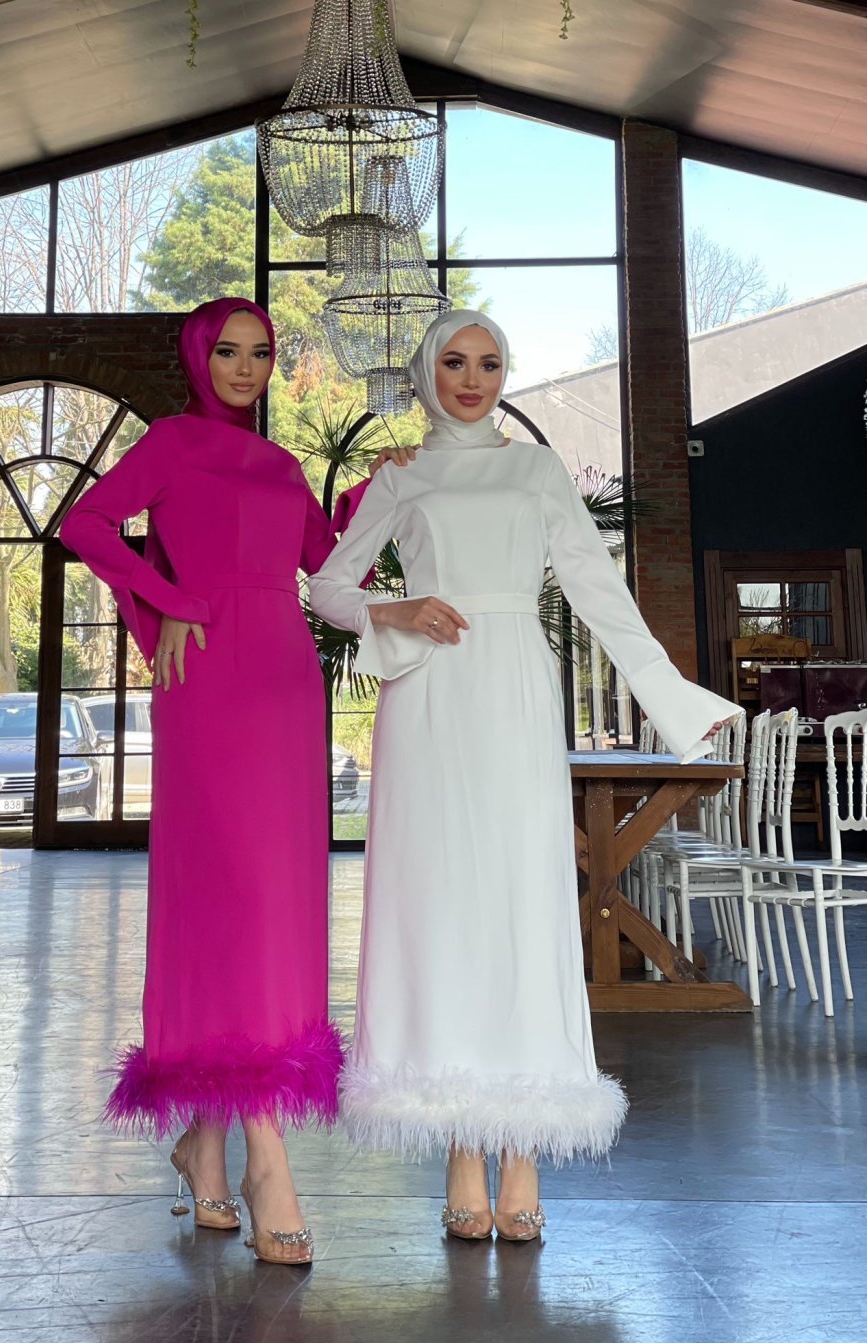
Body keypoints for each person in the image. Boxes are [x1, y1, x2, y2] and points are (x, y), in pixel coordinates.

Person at [307, 309, 737, 1242]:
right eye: (455, 363)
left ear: (506, 373)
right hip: (427, 697)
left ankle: (524, 1141)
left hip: (512, 690)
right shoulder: (400, 475)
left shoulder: (536, 470)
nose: (473, 379)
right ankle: (462, 1141)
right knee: (442, 906)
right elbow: (328, 585)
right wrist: (398, 607)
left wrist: (671, 696)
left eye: (489, 363)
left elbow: (597, 588)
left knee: (522, 900)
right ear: (426, 373)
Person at [60, 297, 409, 1265]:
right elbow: (83, 523)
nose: (246, 367)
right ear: (196, 356)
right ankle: (266, 1154)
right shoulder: (171, 443)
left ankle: (203, 1144)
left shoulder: (282, 465)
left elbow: (326, 565)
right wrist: (168, 598)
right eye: (227, 350)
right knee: (229, 898)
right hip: (206, 678)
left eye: (260, 352)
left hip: (285, 680)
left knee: (275, 903)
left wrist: (377, 495)